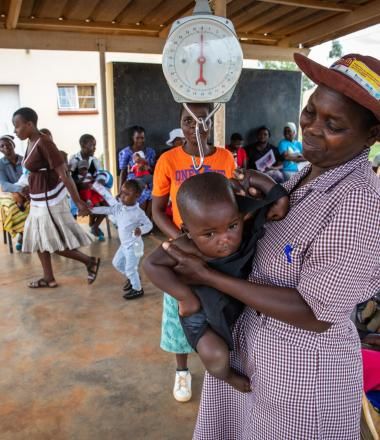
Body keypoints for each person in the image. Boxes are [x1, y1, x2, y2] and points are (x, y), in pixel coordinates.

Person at [160, 53, 380, 439]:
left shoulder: (358, 202)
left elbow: (316, 314)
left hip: (299, 379)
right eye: (310, 112)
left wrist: (209, 277)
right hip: (252, 354)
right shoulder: (304, 177)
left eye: (333, 125)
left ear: (371, 136)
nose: (311, 128)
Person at [145, 172, 288, 392]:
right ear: (187, 231)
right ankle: (227, 376)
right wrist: (185, 297)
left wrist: (280, 196)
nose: (225, 240)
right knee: (215, 355)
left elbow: (263, 190)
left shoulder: (244, 226)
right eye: (209, 234)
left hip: (235, 303)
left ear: (240, 215)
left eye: (232, 226)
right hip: (202, 312)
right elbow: (151, 265)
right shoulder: (185, 246)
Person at [152, 102, 236, 403]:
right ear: (180, 124)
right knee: (180, 311)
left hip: (219, 249)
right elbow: (158, 211)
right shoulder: (169, 160)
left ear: (211, 124)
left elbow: (234, 202)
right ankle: (182, 371)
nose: (196, 126)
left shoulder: (226, 158)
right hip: (185, 248)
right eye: (189, 121)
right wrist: (184, 242)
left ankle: (223, 367)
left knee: (221, 307)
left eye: (203, 121)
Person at [13, 107, 100, 288]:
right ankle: (48, 278)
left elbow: (64, 174)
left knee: (54, 241)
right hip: (38, 198)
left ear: (29, 124)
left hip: (49, 200)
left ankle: (89, 262)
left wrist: (78, 201)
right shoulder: (31, 141)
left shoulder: (44, 142)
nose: (15, 130)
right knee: (38, 238)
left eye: (18, 126)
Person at [92, 179, 152, 299]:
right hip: (124, 245)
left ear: (137, 196)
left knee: (130, 269)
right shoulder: (119, 207)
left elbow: (149, 225)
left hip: (134, 246)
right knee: (117, 263)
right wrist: (90, 210)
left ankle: (137, 289)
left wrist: (141, 230)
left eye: (126, 194)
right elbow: (105, 209)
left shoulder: (138, 213)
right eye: (121, 192)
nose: (122, 196)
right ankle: (133, 277)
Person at [69, 134, 105, 240]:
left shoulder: (94, 160)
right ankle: (73, 233)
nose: (94, 148)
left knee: (105, 204)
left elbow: (101, 174)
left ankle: (94, 226)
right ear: (83, 145)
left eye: (95, 145)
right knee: (75, 207)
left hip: (91, 190)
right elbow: (69, 177)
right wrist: (80, 184)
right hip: (77, 191)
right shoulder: (74, 159)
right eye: (92, 145)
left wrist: (99, 181)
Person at [0, 134, 29, 250]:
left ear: (13, 145)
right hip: (10, 191)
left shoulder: (24, 160)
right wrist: (18, 189)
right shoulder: (0, 164)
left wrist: (25, 188)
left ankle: (35, 234)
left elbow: (29, 176)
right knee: (13, 207)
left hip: (27, 187)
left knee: (37, 204)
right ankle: (22, 235)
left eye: (8, 144)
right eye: (2, 146)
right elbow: (4, 184)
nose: (5, 147)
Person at [119, 126, 156, 216]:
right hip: (133, 182)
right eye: (137, 138)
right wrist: (121, 189)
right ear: (132, 138)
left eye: (142, 138)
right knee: (141, 194)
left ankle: (147, 220)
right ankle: (139, 221)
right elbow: (123, 171)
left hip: (148, 180)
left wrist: (147, 167)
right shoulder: (125, 152)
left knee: (154, 194)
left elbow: (154, 169)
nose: (140, 140)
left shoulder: (150, 152)